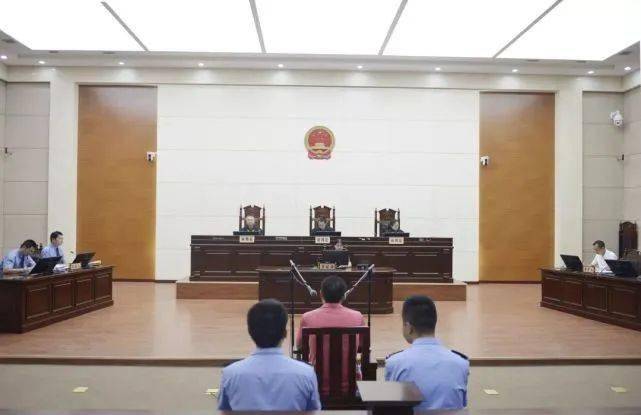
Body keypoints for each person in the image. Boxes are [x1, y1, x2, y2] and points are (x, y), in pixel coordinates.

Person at [218, 299, 320, 411]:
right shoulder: (306, 374)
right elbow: (314, 411)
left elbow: (224, 411)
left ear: (250, 332)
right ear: (285, 333)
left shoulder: (230, 374)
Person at [385, 295, 469, 410]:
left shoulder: (394, 363)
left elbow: (391, 407)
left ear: (408, 327)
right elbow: (462, 404)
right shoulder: (461, 363)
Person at [296, 275, 365, 393]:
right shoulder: (357, 316)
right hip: (350, 386)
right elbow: (362, 346)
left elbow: (299, 346)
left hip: (316, 385)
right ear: (344, 295)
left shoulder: (307, 317)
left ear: (321, 294)